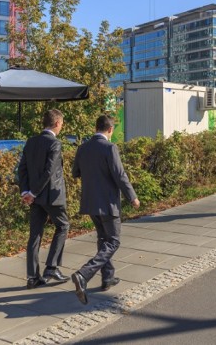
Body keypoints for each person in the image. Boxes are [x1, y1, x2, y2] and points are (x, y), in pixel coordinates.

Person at [71, 115, 140, 305]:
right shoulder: (110, 148)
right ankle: (83, 274)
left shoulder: (83, 148)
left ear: (96, 128)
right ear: (110, 130)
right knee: (114, 241)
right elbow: (119, 175)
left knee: (103, 240)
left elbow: (75, 172)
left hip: (90, 203)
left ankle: (107, 277)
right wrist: (132, 196)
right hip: (108, 203)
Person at [18, 109, 70, 289]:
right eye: (61, 124)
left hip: (35, 198)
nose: (61, 127)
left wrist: (26, 191)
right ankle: (51, 268)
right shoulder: (54, 144)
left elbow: (22, 169)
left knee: (35, 235)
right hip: (52, 196)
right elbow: (49, 171)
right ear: (57, 124)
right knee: (63, 226)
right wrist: (33, 193)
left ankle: (32, 277)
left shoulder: (31, 142)